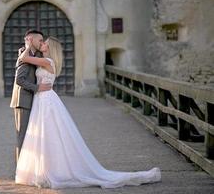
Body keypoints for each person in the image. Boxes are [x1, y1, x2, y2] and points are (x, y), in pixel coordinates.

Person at [15, 36, 161, 189]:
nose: (43, 44)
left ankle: (51, 171)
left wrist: (27, 44)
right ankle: (43, 170)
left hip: (45, 100)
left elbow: (24, 58)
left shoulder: (47, 62)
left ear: (51, 48)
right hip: (42, 99)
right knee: (46, 135)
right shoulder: (44, 60)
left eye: (45, 43)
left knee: (50, 134)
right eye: (42, 42)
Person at [10, 30, 52, 166]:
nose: (41, 42)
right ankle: (20, 171)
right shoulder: (23, 53)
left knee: (31, 136)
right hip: (22, 101)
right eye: (39, 40)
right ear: (30, 39)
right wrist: (37, 88)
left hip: (33, 100)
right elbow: (19, 80)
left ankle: (31, 167)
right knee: (22, 136)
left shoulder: (37, 55)